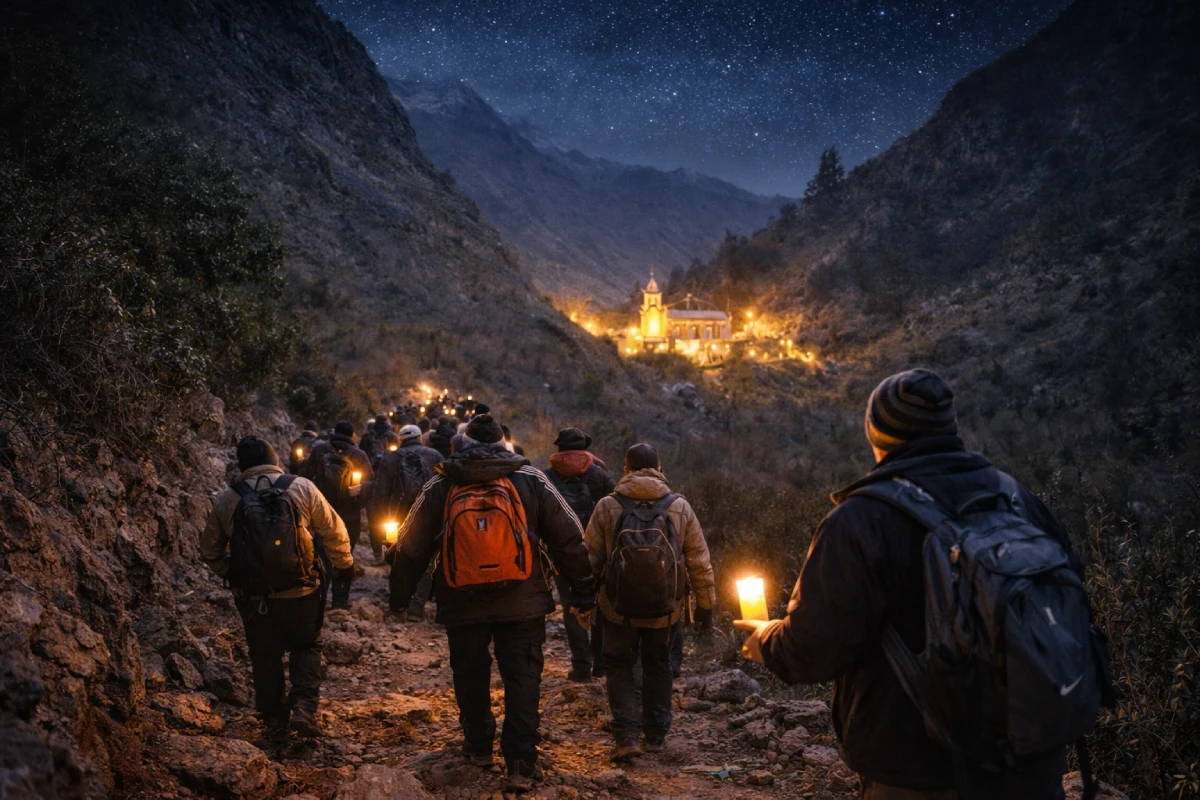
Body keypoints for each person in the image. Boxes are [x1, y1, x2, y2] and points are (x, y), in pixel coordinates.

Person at [734, 369, 1106, 800]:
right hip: (1033, 766)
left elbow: (812, 650)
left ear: (875, 432)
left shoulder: (860, 519)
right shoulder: (1019, 500)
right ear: (950, 428)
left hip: (915, 772)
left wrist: (767, 640)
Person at [388, 414, 595, 791]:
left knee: (469, 673)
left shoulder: (442, 483)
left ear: (465, 444)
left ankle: (478, 746)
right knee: (523, 678)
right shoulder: (530, 479)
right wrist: (583, 589)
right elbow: (569, 537)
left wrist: (399, 597)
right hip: (523, 600)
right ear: (503, 442)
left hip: (461, 599)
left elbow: (410, 546)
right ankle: (520, 762)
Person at [200, 436, 354, 744]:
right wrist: (344, 565)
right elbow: (332, 529)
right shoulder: (300, 487)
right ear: (275, 458)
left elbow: (209, 550)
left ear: (242, 466)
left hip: (255, 596)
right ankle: (303, 709)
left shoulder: (228, 498)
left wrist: (232, 574)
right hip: (302, 589)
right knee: (306, 646)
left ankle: (272, 716)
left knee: (264, 653)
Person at [584, 443, 715, 761]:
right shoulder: (679, 506)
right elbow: (699, 561)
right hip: (665, 610)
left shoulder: (607, 505)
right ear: (660, 469)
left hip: (616, 609)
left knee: (619, 666)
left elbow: (590, 560)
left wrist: (583, 602)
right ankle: (655, 736)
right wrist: (705, 607)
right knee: (659, 666)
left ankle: (627, 736)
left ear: (625, 470)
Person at [545, 427, 616, 681]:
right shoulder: (600, 475)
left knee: (571, 607)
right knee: (598, 607)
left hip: (562, 554)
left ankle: (581, 666)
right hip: (596, 554)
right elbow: (615, 512)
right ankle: (600, 664)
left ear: (558, 449)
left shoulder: (547, 477)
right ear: (584, 449)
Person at [305, 420, 373, 608]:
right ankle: (340, 603)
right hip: (348, 516)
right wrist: (359, 493)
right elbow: (371, 485)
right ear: (352, 436)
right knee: (344, 557)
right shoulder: (359, 455)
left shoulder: (319, 450)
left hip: (321, 514)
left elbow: (304, 477)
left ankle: (318, 600)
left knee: (321, 557)